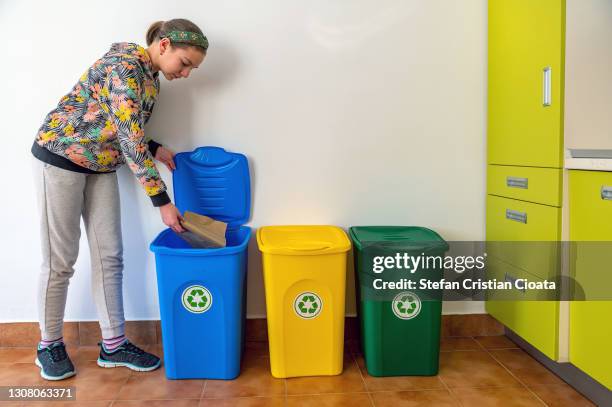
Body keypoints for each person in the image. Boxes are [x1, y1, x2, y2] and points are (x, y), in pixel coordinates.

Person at [30, 18, 207, 380]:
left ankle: (113, 345)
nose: (186, 73)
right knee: (60, 260)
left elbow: (124, 127)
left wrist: (155, 147)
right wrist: (162, 201)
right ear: (164, 46)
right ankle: (48, 345)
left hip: (101, 164)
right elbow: (128, 139)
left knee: (110, 255)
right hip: (61, 158)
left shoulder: (150, 79)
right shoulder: (123, 68)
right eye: (185, 63)